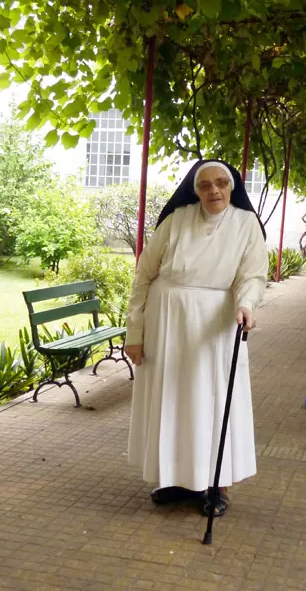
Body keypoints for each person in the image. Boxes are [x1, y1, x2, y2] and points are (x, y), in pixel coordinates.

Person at [124, 159, 268, 517]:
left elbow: (252, 276)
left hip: (214, 326)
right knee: (170, 400)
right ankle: (173, 478)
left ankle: (214, 482)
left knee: (211, 402)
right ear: (195, 188)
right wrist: (135, 332)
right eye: (205, 185)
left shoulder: (246, 224)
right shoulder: (176, 220)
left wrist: (247, 304)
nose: (213, 191)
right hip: (166, 323)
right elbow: (143, 277)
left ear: (232, 187)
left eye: (221, 183)